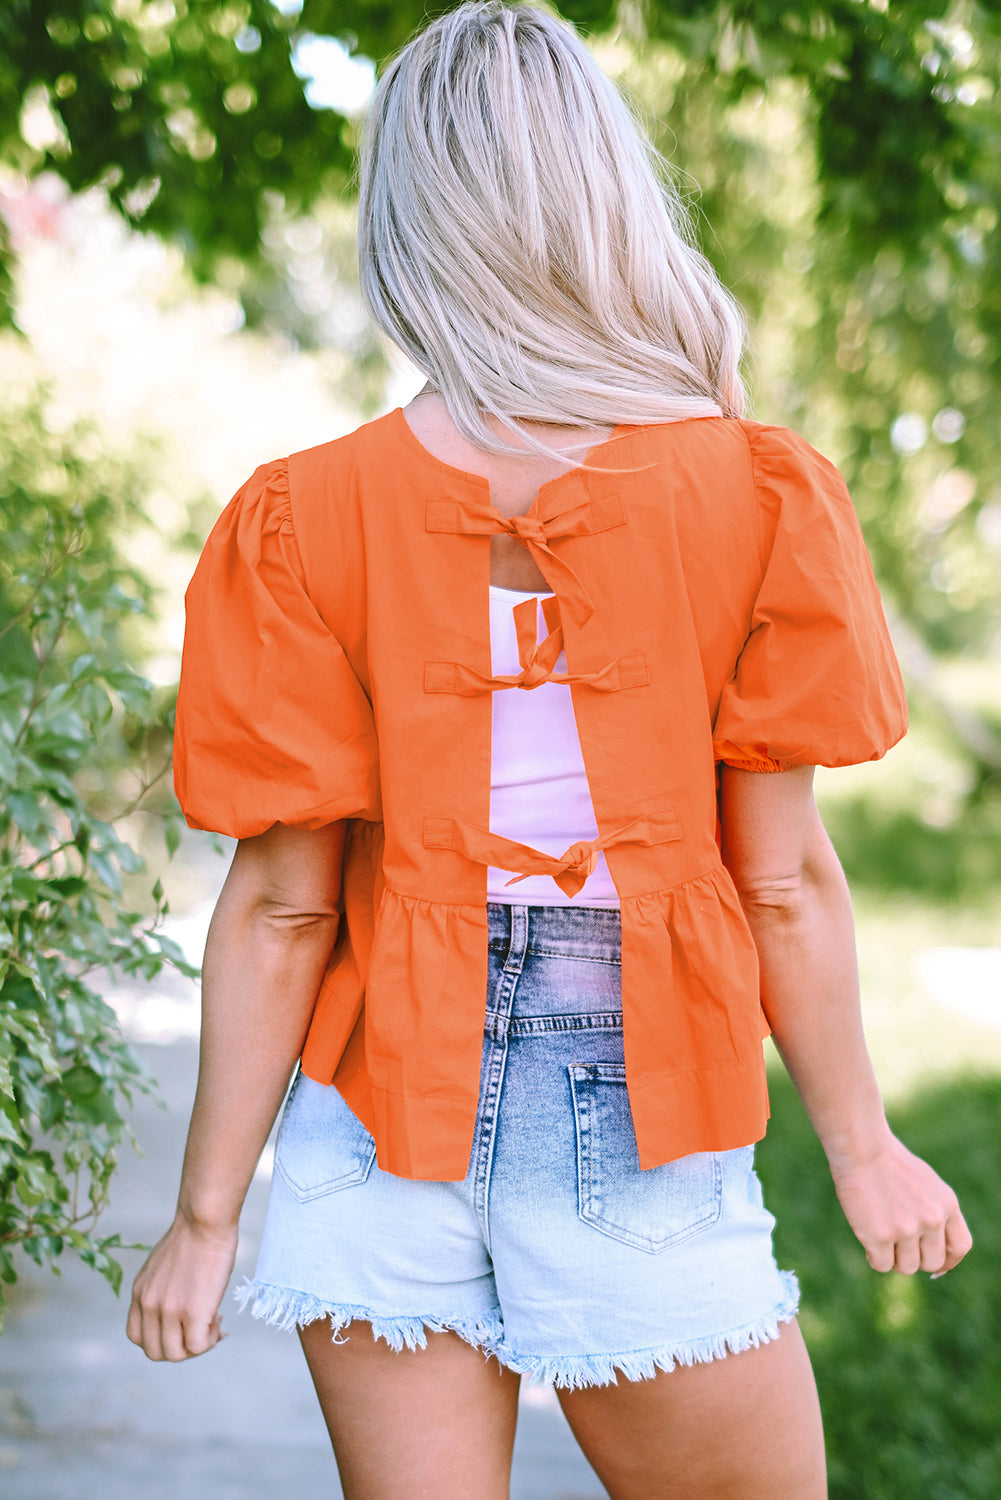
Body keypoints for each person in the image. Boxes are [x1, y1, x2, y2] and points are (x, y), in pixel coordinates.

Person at [126, 4, 973, 1496]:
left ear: (408, 218)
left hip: (373, 1115)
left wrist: (207, 1215)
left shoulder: (300, 517)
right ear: (604, 199)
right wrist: (862, 1148)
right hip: (637, 1094)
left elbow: (282, 905)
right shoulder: (756, 496)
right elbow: (777, 886)